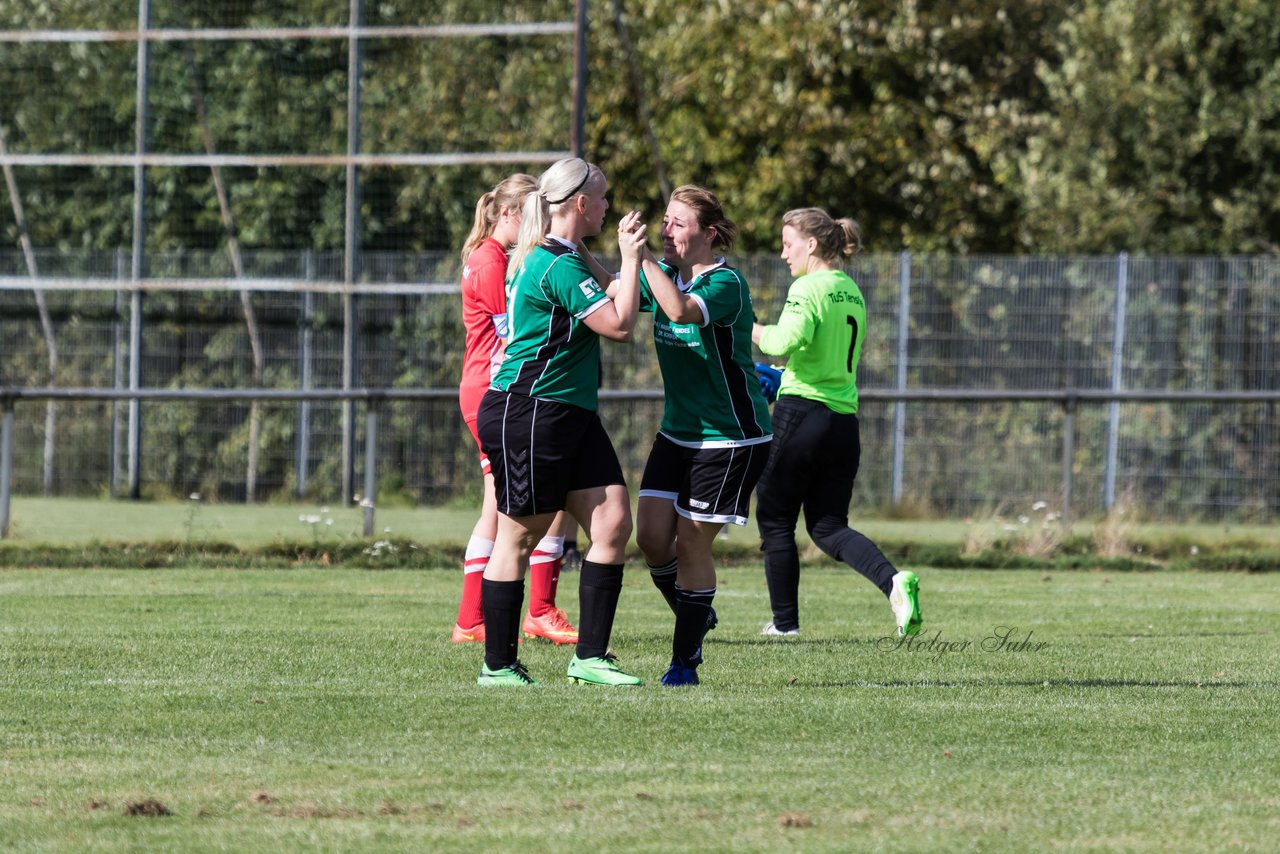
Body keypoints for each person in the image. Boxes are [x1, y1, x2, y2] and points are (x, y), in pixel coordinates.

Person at [474, 156, 648, 686]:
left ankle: (590, 658)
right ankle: (498, 666)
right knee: (517, 538)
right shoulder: (554, 263)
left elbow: (618, 295)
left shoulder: (570, 255)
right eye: (602, 197)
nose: (607, 206)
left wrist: (623, 264)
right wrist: (631, 258)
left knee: (613, 521)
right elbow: (618, 324)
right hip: (531, 412)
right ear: (579, 203)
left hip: (569, 414)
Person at [752, 207, 923, 638]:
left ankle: (785, 625)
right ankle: (893, 583)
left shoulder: (807, 287)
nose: (783, 254)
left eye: (788, 244)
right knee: (828, 527)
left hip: (801, 415)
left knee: (774, 518)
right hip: (843, 421)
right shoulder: (850, 290)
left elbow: (783, 339)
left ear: (811, 245)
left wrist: (748, 328)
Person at [634, 185, 772, 687]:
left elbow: (679, 311)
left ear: (708, 234)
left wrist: (642, 257)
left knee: (691, 544)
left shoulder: (726, 282)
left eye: (677, 223)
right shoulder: (665, 273)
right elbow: (613, 289)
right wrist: (571, 242)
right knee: (650, 537)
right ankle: (697, 612)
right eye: (664, 220)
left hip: (729, 437)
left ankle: (684, 662)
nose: (666, 230)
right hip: (679, 433)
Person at [454, 174, 579, 646]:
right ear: (509, 214)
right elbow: (513, 333)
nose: (540, 224)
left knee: (546, 498)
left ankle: (500, 615)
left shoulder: (496, 258)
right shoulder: (489, 262)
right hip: (494, 390)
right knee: (504, 506)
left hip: (495, 389)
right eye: (534, 214)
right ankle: (495, 616)